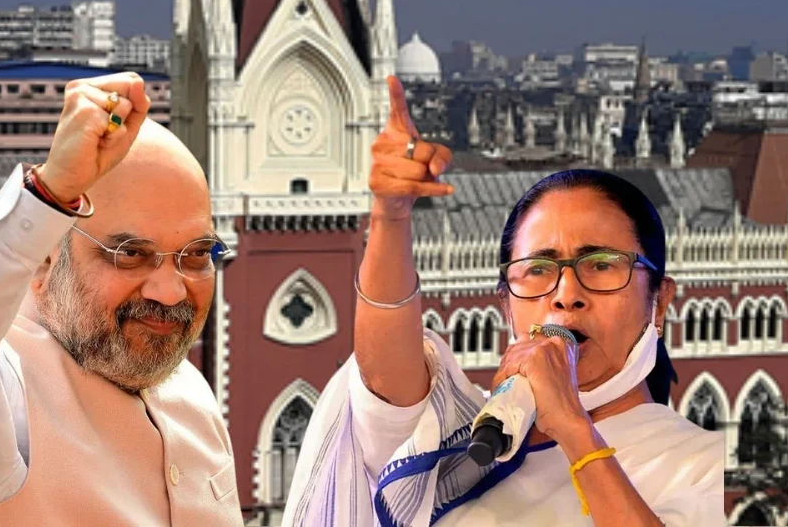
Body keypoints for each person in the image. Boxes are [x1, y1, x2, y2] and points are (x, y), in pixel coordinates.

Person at [284, 76, 725, 526]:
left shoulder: (701, 465)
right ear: (505, 306)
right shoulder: (467, 442)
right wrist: (389, 216)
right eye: (538, 270)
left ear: (661, 300)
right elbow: (383, 384)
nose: (566, 295)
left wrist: (573, 429)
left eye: (601, 265)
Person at [0, 73, 244, 526]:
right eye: (129, 255)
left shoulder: (189, 390)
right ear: (46, 258)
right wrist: (49, 192)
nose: (169, 292)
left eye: (198, 254)